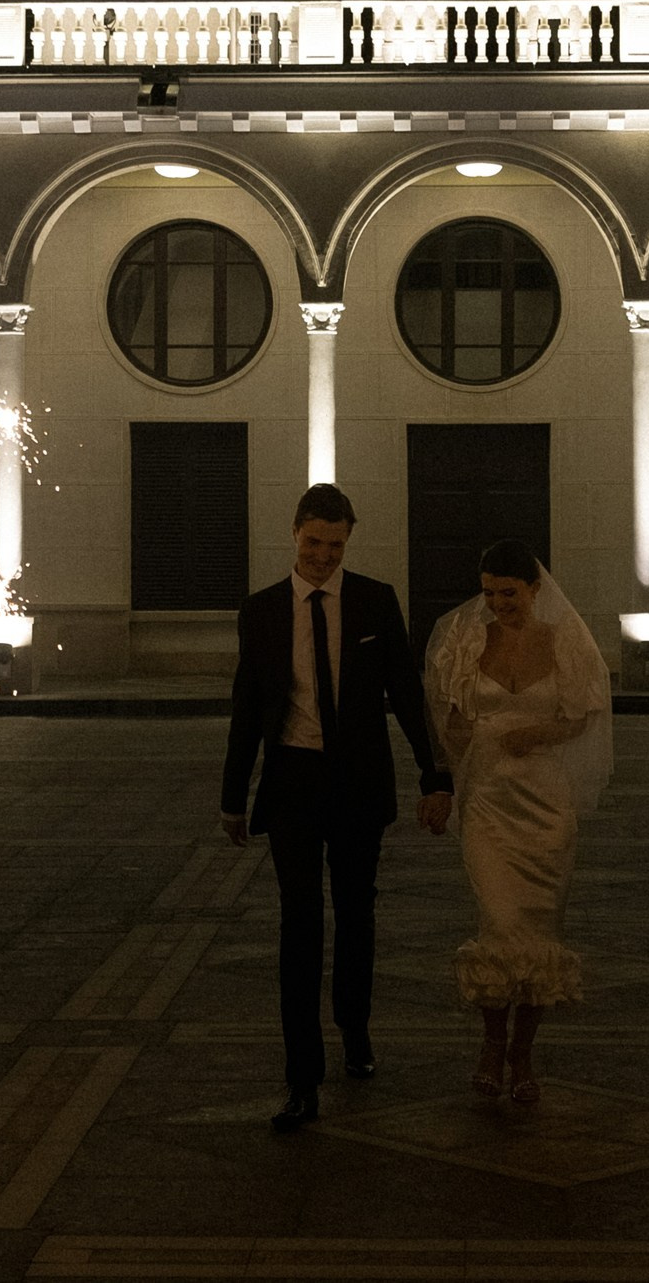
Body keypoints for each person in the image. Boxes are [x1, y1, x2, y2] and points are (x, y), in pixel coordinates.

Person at [219, 485, 451, 1134]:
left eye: (336, 545)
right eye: (314, 542)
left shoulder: (375, 600)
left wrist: (436, 774)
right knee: (299, 924)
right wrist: (233, 797)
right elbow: (246, 708)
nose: (323, 556)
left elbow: (406, 693)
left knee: (354, 914)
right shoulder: (261, 611)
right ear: (294, 532)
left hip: (357, 784)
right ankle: (301, 1077)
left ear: (349, 540)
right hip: (292, 782)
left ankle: (354, 1025)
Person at [422, 540, 612, 1102]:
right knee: (499, 923)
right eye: (488, 594)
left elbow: (582, 715)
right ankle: (489, 1045)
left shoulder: (562, 642)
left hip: (545, 805)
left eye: (508, 592)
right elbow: (452, 724)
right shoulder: (467, 640)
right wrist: (440, 780)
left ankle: (522, 1054)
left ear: (534, 589)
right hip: (487, 803)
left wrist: (540, 733)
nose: (499, 604)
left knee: (538, 929)